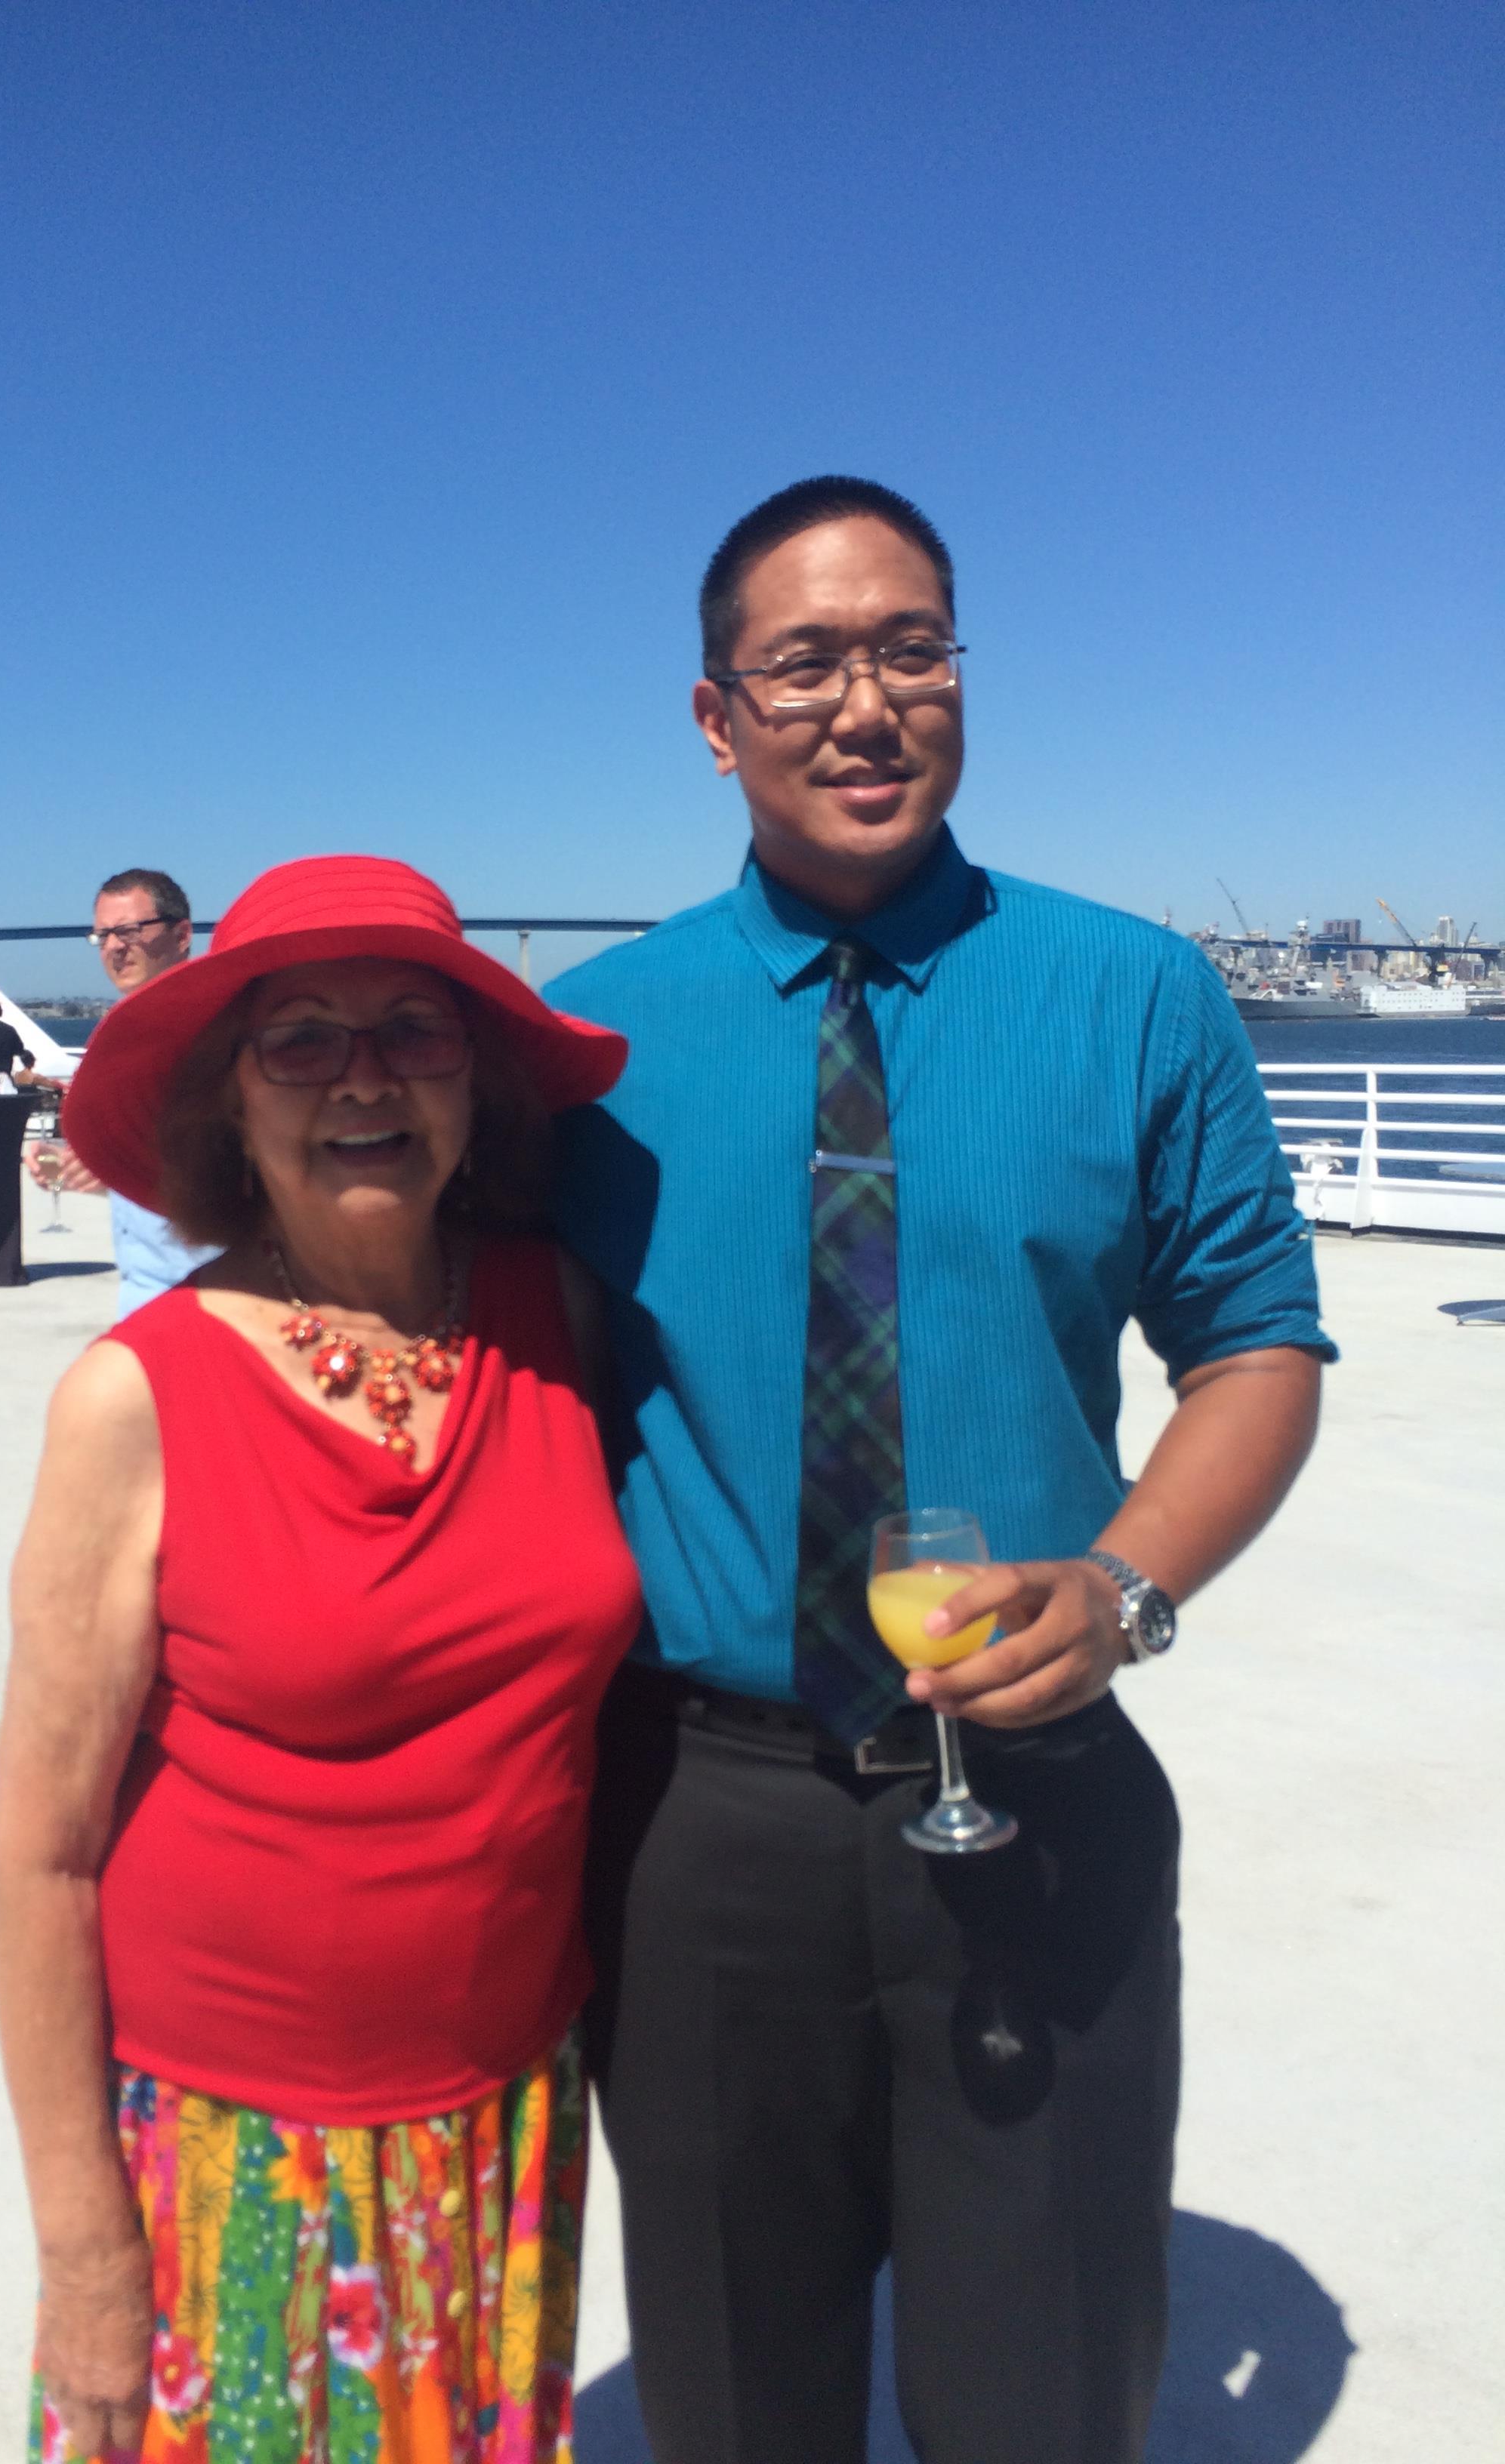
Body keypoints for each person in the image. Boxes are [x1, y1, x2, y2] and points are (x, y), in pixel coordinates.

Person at [548, 476, 1334, 2464]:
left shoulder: (1135, 994)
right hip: (702, 1824)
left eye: (913, 647)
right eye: (804, 662)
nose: (866, 701)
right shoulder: (587, 1044)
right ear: (717, 718)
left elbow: (1254, 1343)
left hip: (1043, 1788)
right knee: (738, 2388)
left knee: (1048, 2383)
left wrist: (1127, 1585)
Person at [0, 854, 640, 2464]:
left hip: (501, 2107)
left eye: (414, 1031)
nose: (363, 1076)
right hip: (235, 2145)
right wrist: (83, 2252)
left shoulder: (555, 1310)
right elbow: (43, 1864)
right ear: (230, 1109)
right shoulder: (133, 1400)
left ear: (475, 1090)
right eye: (301, 1042)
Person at [26, 867, 223, 1315]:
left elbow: (251, 1172)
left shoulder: (222, 1036)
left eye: (130, 931)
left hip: (216, 1294)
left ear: (182, 935)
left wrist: (120, 1171)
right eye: (103, 936)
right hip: (143, 1293)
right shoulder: (116, 1038)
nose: (115, 946)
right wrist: (92, 1173)